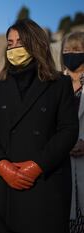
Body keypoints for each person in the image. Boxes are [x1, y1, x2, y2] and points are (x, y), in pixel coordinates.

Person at [0, 19, 78, 233]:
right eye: (10, 43)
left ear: (36, 44)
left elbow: (68, 130)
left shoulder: (59, 84)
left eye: (20, 42)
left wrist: (37, 166)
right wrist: (2, 165)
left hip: (45, 182)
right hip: (4, 184)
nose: (14, 48)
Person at [61, 31, 84, 233]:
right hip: (62, 169)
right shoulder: (55, 85)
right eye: (67, 51)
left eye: (76, 50)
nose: (71, 55)